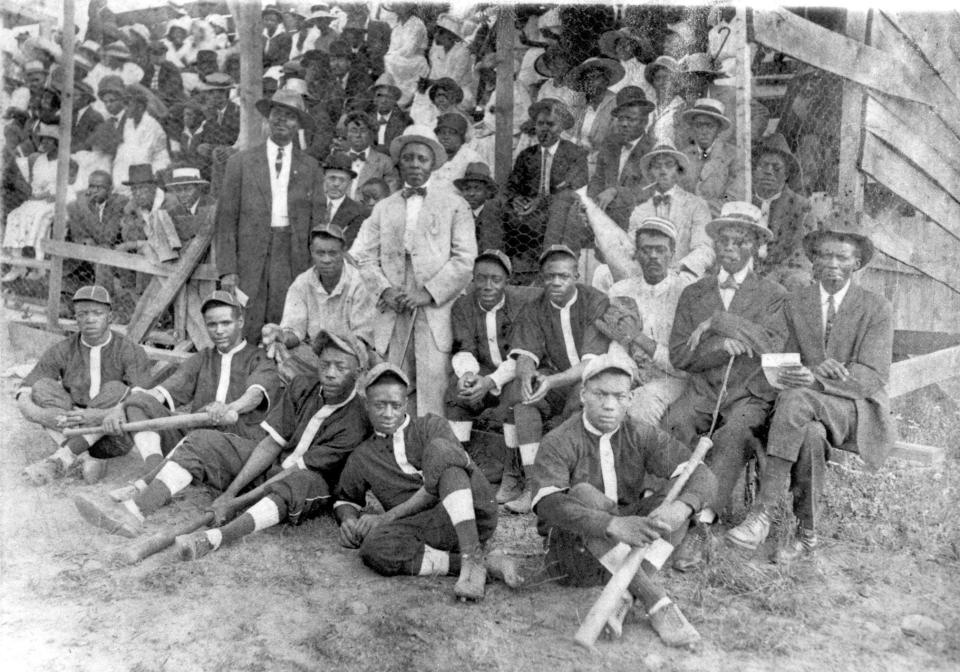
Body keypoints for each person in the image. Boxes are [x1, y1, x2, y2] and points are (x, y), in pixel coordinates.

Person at [76, 330, 371, 561]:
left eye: (340, 367)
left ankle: (217, 538)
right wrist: (230, 492)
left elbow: (292, 472)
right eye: (325, 364)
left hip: (308, 485)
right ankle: (135, 512)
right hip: (275, 466)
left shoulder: (358, 418)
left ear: (357, 373)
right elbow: (270, 445)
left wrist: (233, 503)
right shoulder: (303, 386)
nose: (330, 373)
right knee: (204, 439)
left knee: (296, 481)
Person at [726, 223, 893, 561]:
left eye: (841, 257)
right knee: (811, 434)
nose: (832, 263)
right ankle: (807, 535)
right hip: (801, 411)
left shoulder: (876, 307)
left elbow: (871, 375)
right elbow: (780, 358)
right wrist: (803, 371)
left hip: (853, 408)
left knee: (797, 398)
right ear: (813, 261)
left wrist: (815, 382)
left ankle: (764, 512)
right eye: (824, 255)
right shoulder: (796, 303)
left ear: (856, 263)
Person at [531, 353, 716, 647]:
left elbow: (703, 475)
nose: (609, 405)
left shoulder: (640, 433)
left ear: (630, 400)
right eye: (600, 394)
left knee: (677, 497)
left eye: (619, 396)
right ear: (583, 395)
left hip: (628, 546)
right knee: (583, 494)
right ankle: (656, 602)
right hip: (573, 557)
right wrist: (611, 524)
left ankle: (624, 593)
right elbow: (548, 504)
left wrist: (682, 508)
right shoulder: (559, 440)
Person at [660, 202, 787, 572]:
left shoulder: (773, 294)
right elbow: (681, 356)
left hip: (749, 394)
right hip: (703, 392)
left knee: (735, 435)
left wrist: (720, 321)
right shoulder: (693, 293)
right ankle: (671, 511)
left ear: (755, 246)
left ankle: (702, 525)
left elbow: (772, 347)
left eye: (740, 241)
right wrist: (716, 347)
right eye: (724, 241)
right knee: (676, 422)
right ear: (714, 245)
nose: (730, 248)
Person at [334, 363, 519, 601]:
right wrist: (349, 520)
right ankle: (482, 565)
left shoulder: (430, 425)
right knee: (374, 548)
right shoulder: (363, 456)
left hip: (474, 509)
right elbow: (346, 498)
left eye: (396, 405)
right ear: (367, 406)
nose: (388, 413)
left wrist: (386, 517)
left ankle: (472, 556)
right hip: (427, 528)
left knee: (442, 451)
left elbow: (447, 469)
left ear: (406, 404)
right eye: (380, 405)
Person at [100, 291, 281, 496]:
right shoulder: (202, 358)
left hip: (237, 446)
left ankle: (152, 485)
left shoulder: (260, 358)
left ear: (240, 321)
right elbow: (162, 391)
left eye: (226, 323)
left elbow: (255, 395)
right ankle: (156, 473)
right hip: (194, 438)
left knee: (201, 439)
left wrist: (230, 408)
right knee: (139, 402)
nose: (219, 330)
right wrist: (122, 406)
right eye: (212, 325)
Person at [351, 125, 476, 416]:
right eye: (408, 158)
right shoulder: (384, 207)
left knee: (433, 378)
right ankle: (394, 445)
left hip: (434, 307)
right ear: (399, 163)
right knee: (393, 376)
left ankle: (430, 445)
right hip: (394, 308)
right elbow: (364, 257)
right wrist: (385, 289)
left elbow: (465, 259)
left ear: (432, 163)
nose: (415, 165)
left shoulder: (455, 205)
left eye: (422, 158)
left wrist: (427, 293)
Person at [502, 245, 611, 513]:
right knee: (523, 399)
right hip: (558, 381)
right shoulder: (536, 306)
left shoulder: (594, 300)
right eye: (550, 276)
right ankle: (532, 486)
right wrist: (528, 375)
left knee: (580, 396)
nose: (556, 282)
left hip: (592, 380)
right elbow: (526, 354)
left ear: (576, 275)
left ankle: (572, 485)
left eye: (563, 276)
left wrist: (550, 382)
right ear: (542, 277)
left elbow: (590, 364)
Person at [215, 89, 325, 342]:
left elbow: (317, 223)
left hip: (292, 256)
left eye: (289, 116)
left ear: (298, 125)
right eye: (276, 114)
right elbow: (225, 222)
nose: (281, 121)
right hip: (250, 257)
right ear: (267, 118)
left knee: (285, 323)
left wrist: (314, 268)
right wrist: (227, 270)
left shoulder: (310, 167)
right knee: (246, 325)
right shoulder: (240, 163)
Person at [19, 286, 152, 486]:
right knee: (42, 387)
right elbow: (27, 388)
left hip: (112, 433)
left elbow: (141, 399)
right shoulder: (63, 348)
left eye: (97, 313)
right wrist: (36, 413)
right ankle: (85, 460)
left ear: (110, 317)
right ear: (76, 318)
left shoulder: (130, 350)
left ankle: (62, 458)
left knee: (116, 389)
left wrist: (95, 416)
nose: (90, 319)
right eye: (83, 314)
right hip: (71, 422)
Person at [597, 217, 689, 426]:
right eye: (646, 250)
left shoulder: (686, 293)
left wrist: (637, 337)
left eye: (660, 250)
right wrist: (622, 377)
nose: (653, 256)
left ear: (672, 254)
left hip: (673, 378)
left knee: (641, 405)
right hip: (632, 373)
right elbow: (617, 344)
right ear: (636, 254)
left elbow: (683, 365)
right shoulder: (621, 291)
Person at [262, 222, 376, 380]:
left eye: (333, 253)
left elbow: (361, 340)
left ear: (343, 252)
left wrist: (335, 359)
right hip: (314, 356)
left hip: (350, 355)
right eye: (320, 253)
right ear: (311, 252)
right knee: (279, 352)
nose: (326, 260)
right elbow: (294, 331)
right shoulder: (301, 283)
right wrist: (280, 336)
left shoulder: (359, 283)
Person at [444, 250, 524, 451]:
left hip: (514, 376)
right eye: (481, 278)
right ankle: (459, 454)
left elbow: (521, 356)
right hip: (484, 374)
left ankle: (512, 465)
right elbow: (463, 348)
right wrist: (469, 375)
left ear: (507, 280)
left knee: (516, 394)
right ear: (473, 279)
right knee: (457, 388)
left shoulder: (522, 307)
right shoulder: (463, 306)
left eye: (495, 279)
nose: (488, 286)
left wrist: (489, 383)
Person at [504, 99, 587, 276]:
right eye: (540, 123)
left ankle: (552, 267)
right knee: (493, 207)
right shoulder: (527, 155)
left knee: (561, 205)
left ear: (562, 127)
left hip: (559, 210)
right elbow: (511, 186)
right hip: (529, 211)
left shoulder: (574, 153)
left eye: (551, 124)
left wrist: (541, 201)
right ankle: (496, 264)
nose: (544, 129)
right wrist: (516, 199)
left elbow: (575, 187)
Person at [752, 133, 815, 291]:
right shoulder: (744, 201)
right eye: (763, 165)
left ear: (786, 175)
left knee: (799, 281)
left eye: (776, 168)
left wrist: (771, 277)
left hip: (784, 273)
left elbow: (801, 254)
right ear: (754, 170)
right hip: (747, 269)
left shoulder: (802, 207)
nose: (768, 172)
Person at [587, 86, 655, 229]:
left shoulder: (653, 150)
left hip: (634, 215)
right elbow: (597, 180)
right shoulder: (610, 143)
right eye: (621, 118)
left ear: (644, 121)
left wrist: (615, 191)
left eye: (631, 119)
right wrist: (590, 204)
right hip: (603, 210)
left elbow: (647, 191)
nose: (624, 124)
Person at [2, 123, 61, 280]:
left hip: (53, 201)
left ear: (57, 144)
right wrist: (35, 195)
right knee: (14, 216)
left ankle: (39, 267)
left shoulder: (63, 162)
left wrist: (52, 195)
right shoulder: (37, 159)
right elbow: (32, 184)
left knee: (40, 218)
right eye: (43, 140)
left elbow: (64, 185)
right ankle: (18, 266)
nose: (45, 143)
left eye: (50, 141)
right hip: (35, 199)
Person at [680, 98, 744, 215]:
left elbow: (733, 199)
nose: (704, 131)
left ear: (718, 129)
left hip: (719, 222)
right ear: (692, 128)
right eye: (699, 125)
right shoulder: (683, 156)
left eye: (709, 125)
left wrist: (697, 210)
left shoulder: (733, 156)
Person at [111, 84, 170, 198]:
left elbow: (144, 156)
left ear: (140, 107)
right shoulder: (129, 123)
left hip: (154, 167)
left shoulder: (151, 125)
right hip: (135, 165)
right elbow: (125, 151)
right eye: (124, 104)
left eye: (128, 104)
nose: (125, 108)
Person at [567, 57, 624, 172]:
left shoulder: (616, 103)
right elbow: (568, 132)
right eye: (586, 79)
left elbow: (618, 139)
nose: (590, 82)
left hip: (604, 165)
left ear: (606, 80)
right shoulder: (579, 103)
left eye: (595, 77)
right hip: (576, 163)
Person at [343, 111, 399, 199]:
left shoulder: (384, 162)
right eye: (353, 130)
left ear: (371, 134)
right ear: (346, 134)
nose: (358, 135)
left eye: (363, 130)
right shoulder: (337, 160)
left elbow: (391, 197)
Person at [382, 3, 429, 106]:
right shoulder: (397, 27)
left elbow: (409, 49)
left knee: (388, 60)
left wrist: (391, 56)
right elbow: (392, 48)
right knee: (387, 60)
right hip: (398, 61)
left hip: (415, 61)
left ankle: (404, 100)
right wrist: (391, 55)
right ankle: (391, 96)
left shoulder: (417, 24)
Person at [318, 152, 369, 246]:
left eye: (342, 180)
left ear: (350, 183)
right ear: (323, 178)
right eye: (332, 178)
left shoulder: (359, 211)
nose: (336, 184)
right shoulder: (308, 205)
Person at [454, 162, 503, 252]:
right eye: (467, 189)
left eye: (477, 188)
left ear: (488, 192)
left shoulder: (493, 214)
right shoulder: (459, 215)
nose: (471, 194)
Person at [428, 112, 483, 192]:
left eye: (452, 133)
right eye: (442, 132)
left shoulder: (471, 159)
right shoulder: (430, 156)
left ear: (462, 137)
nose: (446, 137)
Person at [368, 74, 412, 154]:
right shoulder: (365, 119)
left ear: (395, 100)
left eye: (388, 96)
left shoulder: (405, 121)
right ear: (374, 99)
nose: (384, 100)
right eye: (380, 95)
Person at [645, 56, 683, 144]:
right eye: (658, 78)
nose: (662, 82)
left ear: (675, 81)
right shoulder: (648, 107)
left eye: (666, 78)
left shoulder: (681, 107)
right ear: (653, 82)